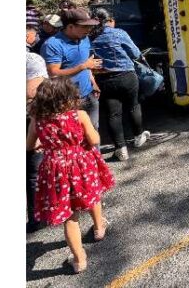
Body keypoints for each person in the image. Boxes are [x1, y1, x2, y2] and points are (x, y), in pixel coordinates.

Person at [26, 77, 115, 273]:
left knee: (70, 217)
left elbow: (29, 146)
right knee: (93, 194)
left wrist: (46, 143)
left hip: (54, 169)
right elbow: (94, 139)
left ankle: (79, 259)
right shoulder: (79, 115)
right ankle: (99, 228)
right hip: (80, 164)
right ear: (68, 96)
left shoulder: (37, 120)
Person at [90, 8, 150, 161]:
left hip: (104, 79)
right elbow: (135, 53)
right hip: (126, 76)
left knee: (113, 114)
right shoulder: (119, 33)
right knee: (133, 106)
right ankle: (138, 137)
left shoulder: (90, 37)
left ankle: (121, 149)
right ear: (110, 20)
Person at [41, 8, 103, 131]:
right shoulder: (53, 45)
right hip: (68, 98)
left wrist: (93, 82)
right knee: (74, 133)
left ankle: (94, 151)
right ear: (70, 27)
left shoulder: (85, 38)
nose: (89, 30)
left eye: (90, 26)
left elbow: (87, 63)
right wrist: (83, 66)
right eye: (84, 26)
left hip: (88, 93)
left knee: (93, 130)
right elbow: (53, 73)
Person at [26, 37, 48, 233]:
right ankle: (38, 215)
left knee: (33, 170)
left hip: (30, 120)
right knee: (33, 171)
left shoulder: (32, 60)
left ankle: (36, 217)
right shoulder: (33, 60)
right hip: (30, 119)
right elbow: (34, 94)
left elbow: (33, 93)